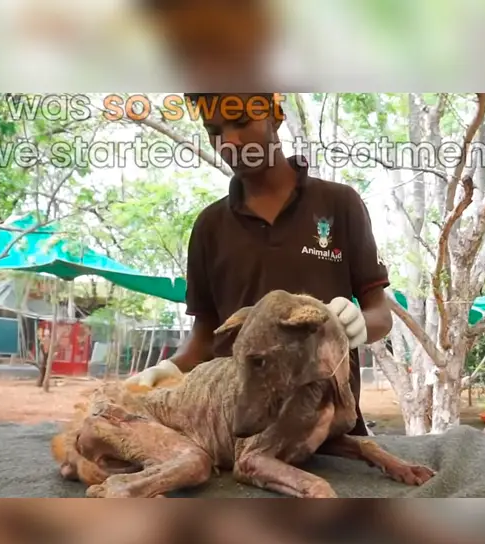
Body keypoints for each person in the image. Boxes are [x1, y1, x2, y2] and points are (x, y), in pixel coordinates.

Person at [127, 92, 392, 436]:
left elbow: (381, 316)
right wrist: (170, 369)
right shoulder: (210, 227)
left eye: (241, 123)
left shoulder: (339, 204)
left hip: (327, 431)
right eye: (215, 130)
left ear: (275, 116)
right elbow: (206, 339)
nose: (230, 141)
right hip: (237, 434)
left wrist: (355, 324)